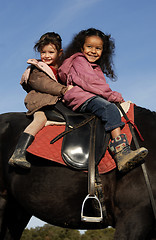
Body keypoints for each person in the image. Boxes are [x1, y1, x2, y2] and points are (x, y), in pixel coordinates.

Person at [58, 28, 148, 173]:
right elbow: (92, 84)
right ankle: (121, 152)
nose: (93, 51)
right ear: (81, 48)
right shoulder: (79, 61)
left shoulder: (94, 67)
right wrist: (113, 96)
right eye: (89, 47)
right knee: (109, 109)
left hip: (88, 96)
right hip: (80, 97)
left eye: (98, 48)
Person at [9, 32, 72, 169]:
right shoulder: (37, 68)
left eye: (51, 52)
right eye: (43, 52)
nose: (46, 56)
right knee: (40, 119)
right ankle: (18, 152)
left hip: (53, 102)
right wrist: (64, 90)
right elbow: (44, 84)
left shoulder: (61, 69)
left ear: (59, 52)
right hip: (39, 102)